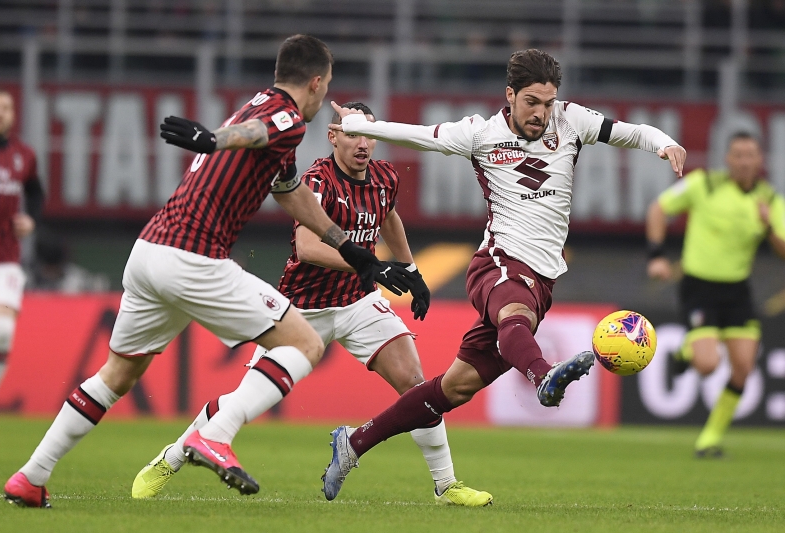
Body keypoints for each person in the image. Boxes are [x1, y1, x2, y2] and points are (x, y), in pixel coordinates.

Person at [3, 34, 382, 509]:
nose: (323, 98)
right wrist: (212, 139)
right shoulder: (285, 116)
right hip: (194, 256)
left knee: (116, 375)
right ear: (317, 82)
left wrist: (349, 248)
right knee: (304, 343)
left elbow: (290, 192)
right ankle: (215, 435)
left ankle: (31, 476)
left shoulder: (258, 108)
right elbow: (260, 132)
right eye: (325, 88)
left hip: (149, 252)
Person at [319, 48, 687, 501]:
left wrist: (664, 142)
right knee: (516, 314)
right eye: (532, 102)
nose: (541, 113)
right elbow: (419, 136)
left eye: (548, 103)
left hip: (543, 279)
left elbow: (630, 132)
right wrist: (360, 126)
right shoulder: (480, 133)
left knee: (454, 388)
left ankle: (353, 443)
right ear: (510, 96)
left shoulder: (571, 120)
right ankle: (542, 375)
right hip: (499, 262)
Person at [131, 102, 493, 506]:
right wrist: (372, 266)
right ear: (333, 137)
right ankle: (171, 458)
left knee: (415, 383)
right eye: (352, 134)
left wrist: (411, 269)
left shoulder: (384, 176)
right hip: (303, 309)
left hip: (357, 302)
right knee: (243, 401)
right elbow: (306, 247)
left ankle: (446, 485)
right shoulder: (318, 180)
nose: (362, 143)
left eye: (369, 134)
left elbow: (389, 216)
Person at [646, 131, 785, 458]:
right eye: (738, 155)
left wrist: (768, 227)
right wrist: (656, 256)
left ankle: (709, 438)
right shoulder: (704, 184)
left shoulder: (769, 200)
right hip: (699, 288)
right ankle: (686, 351)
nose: (744, 162)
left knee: (743, 367)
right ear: (728, 159)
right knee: (708, 364)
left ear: (760, 160)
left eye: (750, 155)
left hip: (737, 291)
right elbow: (658, 209)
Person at [0, 89, 44, 448]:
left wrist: (31, 219)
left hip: (3, 257)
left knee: (3, 332)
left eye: (5, 107)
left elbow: (36, 193)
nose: (0, 113)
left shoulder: (24, 155)